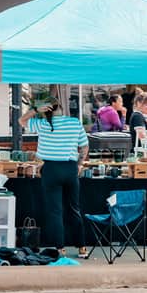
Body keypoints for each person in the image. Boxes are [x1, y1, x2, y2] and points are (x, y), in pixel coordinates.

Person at [21, 99, 88, 254]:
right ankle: (82, 247)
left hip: (50, 168)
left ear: (46, 110)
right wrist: (79, 164)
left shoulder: (42, 124)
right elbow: (84, 146)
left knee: (55, 211)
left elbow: (21, 120)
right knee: (74, 209)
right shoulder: (74, 122)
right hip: (70, 168)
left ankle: (60, 248)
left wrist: (35, 110)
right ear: (62, 108)